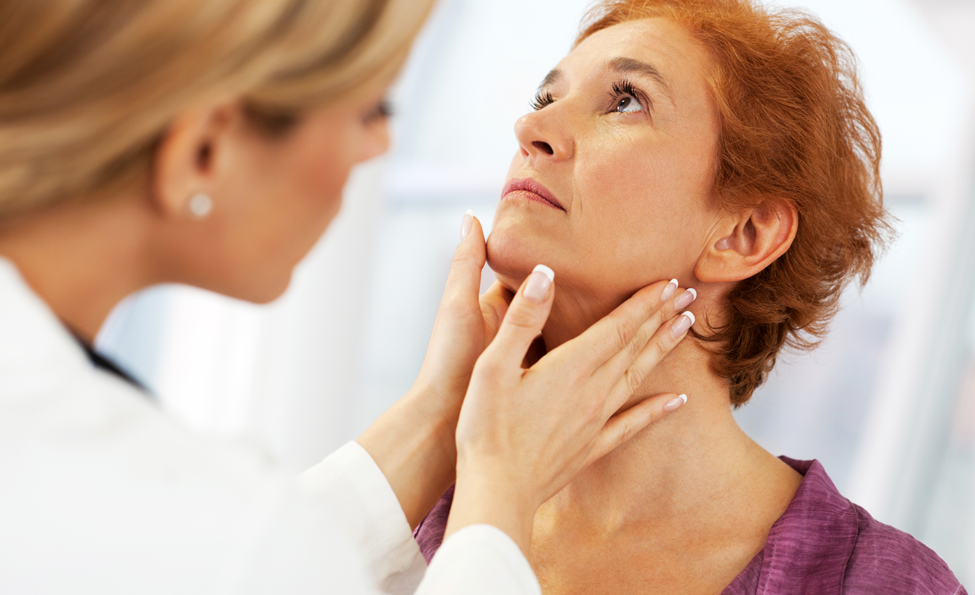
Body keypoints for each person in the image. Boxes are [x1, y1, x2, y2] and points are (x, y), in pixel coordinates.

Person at [0, 0, 699, 593]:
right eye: (371, 108)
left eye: (624, 101)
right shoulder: (202, 525)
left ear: (747, 233)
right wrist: (501, 487)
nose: (378, 146)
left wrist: (439, 416)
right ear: (203, 151)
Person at [412, 1, 968, 594]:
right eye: (545, 99)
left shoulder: (880, 584)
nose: (529, 127)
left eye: (626, 101)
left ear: (744, 235)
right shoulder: (419, 523)